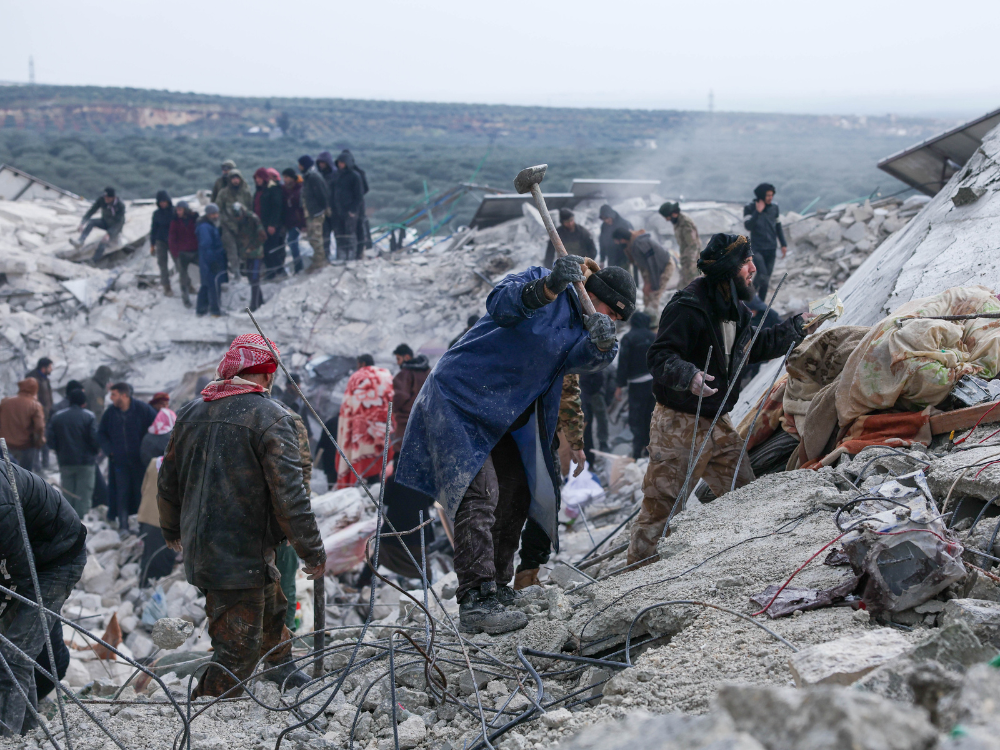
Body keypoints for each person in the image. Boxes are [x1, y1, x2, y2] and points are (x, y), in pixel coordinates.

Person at [396, 255, 632, 634]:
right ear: (596, 294)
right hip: (460, 397)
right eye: (614, 314)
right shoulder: (543, 280)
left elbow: (581, 361)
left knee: (517, 491)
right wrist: (549, 287)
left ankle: (498, 587)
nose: (615, 321)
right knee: (480, 493)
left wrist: (603, 345)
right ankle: (475, 597)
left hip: (507, 414)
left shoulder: (582, 326)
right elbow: (501, 305)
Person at [157, 334, 326, 697]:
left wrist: (172, 528)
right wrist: (312, 551)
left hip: (211, 548)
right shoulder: (271, 417)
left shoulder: (189, 412)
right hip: (236, 553)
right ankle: (205, 710)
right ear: (266, 375)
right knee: (237, 648)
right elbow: (290, 497)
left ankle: (281, 669)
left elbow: (167, 480)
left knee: (273, 605)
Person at [626, 233, 807, 567]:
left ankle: (745, 557)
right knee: (662, 506)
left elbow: (753, 347)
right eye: (745, 263)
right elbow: (660, 355)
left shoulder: (734, 309)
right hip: (678, 423)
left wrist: (796, 328)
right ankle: (637, 573)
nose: (753, 269)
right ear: (727, 270)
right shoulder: (687, 306)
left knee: (743, 490)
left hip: (716, 421)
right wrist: (689, 376)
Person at [0, 460, 87, 737]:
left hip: (56, 560)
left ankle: (8, 738)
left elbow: (22, 572)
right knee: (17, 654)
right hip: (27, 560)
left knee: (14, 655)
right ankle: (28, 731)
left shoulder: (1, 503)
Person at [512, 373, 587, 590]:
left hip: (519, 432)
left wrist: (575, 442)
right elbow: (568, 391)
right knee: (541, 502)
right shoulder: (557, 341)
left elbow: (567, 390)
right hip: (526, 434)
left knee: (539, 503)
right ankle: (517, 575)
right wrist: (575, 442)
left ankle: (522, 575)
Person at [98, 382, 157, 532]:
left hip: (140, 461)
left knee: (141, 493)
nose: (111, 398)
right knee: (121, 494)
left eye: (114, 394)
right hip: (119, 462)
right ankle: (123, 526)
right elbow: (101, 433)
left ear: (124, 395)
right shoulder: (110, 413)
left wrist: (147, 449)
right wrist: (110, 450)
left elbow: (156, 427)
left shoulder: (142, 409)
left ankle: (142, 526)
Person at [336, 355, 394, 487]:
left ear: (362, 363)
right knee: (380, 462)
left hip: (360, 431)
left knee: (357, 460)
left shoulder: (356, 377)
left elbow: (347, 407)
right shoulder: (386, 375)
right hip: (381, 429)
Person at [136, 407, 177, 585]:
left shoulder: (153, 461)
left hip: (147, 517)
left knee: (148, 553)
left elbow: (143, 489)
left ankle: (143, 584)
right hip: (166, 519)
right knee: (163, 555)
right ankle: (155, 586)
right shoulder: (179, 468)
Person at [46, 389, 100, 517]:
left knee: (68, 494)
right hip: (85, 462)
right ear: (84, 403)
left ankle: (68, 521)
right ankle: (82, 524)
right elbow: (94, 439)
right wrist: (94, 452)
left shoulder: (57, 417)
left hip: (65, 461)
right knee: (84, 495)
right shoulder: (89, 416)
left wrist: (59, 451)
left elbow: (50, 441)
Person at [615, 310, 657, 459]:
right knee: (649, 416)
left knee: (636, 418)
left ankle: (637, 450)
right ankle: (648, 448)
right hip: (652, 384)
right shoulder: (653, 337)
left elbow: (623, 363)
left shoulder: (628, 338)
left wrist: (619, 385)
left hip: (636, 385)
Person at [612, 228, 676, 316]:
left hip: (662, 266)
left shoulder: (641, 243)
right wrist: (646, 283)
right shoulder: (630, 245)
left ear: (622, 239)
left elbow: (653, 264)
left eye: (617, 241)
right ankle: (647, 318)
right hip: (650, 269)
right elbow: (640, 265)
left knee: (654, 294)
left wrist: (653, 284)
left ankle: (653, 323)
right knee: (647, 293)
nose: (617, 244)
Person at [743, 183, 787, 298]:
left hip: (771, 248)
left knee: (766, 279)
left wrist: (783, 244)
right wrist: (757, 212)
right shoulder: (749, 208)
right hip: (757, 248)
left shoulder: (774, 207)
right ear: (761, 195)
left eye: (772, 195)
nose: (770, 198)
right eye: (768, 195)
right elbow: (748, 226)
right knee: (762, 274)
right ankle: (748, 298)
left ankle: (760, 307)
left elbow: (778, 227)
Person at [391, 344, 431, 458]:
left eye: (398, 359)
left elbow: (400, 397)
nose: (398, 363)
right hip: (427, 424)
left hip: (406, 425)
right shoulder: (429, 372)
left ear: (406, 357)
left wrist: (393, 409)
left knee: (401, 457)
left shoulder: (404, 374)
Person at [0, 379, 46, 473]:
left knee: (7, 475)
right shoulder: (35, 405)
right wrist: (39, 441)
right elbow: (39, 426)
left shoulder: (5, 402)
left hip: (5, 445)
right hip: (26, 447)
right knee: (25, 477)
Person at [216, 169, 254, 280]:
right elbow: (218, 209)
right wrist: (225, 221)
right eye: (233, 179)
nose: (235, 181)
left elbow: (250, 207)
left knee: (244, 249)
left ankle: (245, 271)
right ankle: (236, 273)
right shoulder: (223, 193)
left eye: (237, 178)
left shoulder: (246, 192)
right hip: (227, 225)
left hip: (243, 226)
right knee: (231, 250)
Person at [231, 202, 267, 311]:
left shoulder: (253, 219)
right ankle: (259, 301)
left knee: (255, 278)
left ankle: (254, 305)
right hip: (246, 254)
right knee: (250, 278)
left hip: (256, 253)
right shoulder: (238, 221)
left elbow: (262, 236)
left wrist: (253, 247)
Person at [298, 155, 330, 273]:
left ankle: (320, 263)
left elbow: (322, 194)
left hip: (316, 213)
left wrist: (321, 209)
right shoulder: (308, 177)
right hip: (311, 213)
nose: (299, 167)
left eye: (300, 165)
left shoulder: (314, 177)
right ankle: (317, 261)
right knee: (312, 238)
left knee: (316, 238)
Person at [74, 187, 126, 261]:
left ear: (113, 198)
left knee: (104, 241)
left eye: (108, 198)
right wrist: (82, 223)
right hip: (105, 222)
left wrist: (109, 234)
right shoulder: (102, 200)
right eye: (105, 197)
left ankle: (94, 261)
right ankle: (80, 241)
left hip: (115, 227)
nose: (106, 200)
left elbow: (119, 222)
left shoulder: (120, 205)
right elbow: (92, 211)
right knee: (92, 222)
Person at [253, 167, 287, 280]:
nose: (257, 180)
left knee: (271, 249)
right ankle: (271, 273)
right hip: (261, 225)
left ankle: (280, 271)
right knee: (264, 250)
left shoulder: (273, 189)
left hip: (271, 225)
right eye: (256, 178)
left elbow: (276, 208)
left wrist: (272, 224)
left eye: (259, 178)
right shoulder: (259, 190)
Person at [658, 202, 701, 287]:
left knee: (689, 285)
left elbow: (692, 245)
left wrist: (691, 264)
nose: (667, 220)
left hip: (691, 260)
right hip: (686, 259)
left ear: (673, 214)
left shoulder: (685, 223)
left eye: (667, 217)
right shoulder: (677, 222)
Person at [195, 204, 227, 317]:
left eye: (217, 213)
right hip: (209, 260)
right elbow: (206, 246)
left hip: (209, 260)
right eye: (213, 214)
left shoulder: (210, 225)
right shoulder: (205, 227)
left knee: (206, 284)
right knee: (213, 285)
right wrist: (212, 261)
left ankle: (201, 309)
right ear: (208, 214)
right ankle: (215, 310)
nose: (216, 216)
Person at [333, 151, 365, 262]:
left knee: (349, 235)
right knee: (339, 235)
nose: (340, 165)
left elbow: (359, 195)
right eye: (339, 163)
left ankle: (351, 257)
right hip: (338, 210)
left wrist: (353, 210)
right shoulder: (337, 175)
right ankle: (341, 256)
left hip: (350, 211)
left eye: (342, 163)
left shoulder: (355, 176)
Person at [168, 200, 200, 308]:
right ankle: (186, 299)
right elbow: (172, 238)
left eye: (180, 210)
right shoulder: (175, 221)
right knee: (183, 277)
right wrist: (176, 253)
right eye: (177, 210)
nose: (178, 212)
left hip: (195, 251)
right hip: (182, 253)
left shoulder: (194, 219)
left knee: (203, 272)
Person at [25, 358, 53, 470]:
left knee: (45, 440)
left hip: (45, 415)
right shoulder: (32, 379)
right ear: (44, 367)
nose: (51, 369)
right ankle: (36, 467)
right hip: (35, 416)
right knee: (36, 441)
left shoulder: (45, 379)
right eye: (50, 367)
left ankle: (45, 465)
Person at [341, 149, 372, 250]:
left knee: (359, 227)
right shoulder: (341, 174)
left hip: (358, 204)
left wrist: (356, 196)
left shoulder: (358, 173)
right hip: (346, 205)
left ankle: (360, 250)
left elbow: (365, 189)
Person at [579, 369, 610, 463]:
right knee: (586, 424)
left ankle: (602, 443)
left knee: (601, 419)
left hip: (594, 392)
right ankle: (588, 455)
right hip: (583, 392)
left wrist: (595, 389)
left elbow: (599, 374)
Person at [150, 190, 174, 296]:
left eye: (164, 201)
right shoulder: (157, 214)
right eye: (161, 202)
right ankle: (166, 287)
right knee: (162, 264)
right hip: (160, 241)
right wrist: (152, 244)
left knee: (179, 263)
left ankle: (187, 284)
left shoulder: (174, 212)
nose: (163, 203)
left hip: (173, 240)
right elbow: (153, 229)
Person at [281, 168, 306, 273]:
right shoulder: (286, 189)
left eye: (286, 177)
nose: (285, 179)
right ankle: (297, 265)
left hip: (297, 221)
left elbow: (302, 208)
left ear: (292, 178)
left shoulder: (299, 189)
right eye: (284, 177)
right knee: (291, 242)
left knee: (291, 241)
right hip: (288, 221)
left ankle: (298, 265)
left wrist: (303, 223)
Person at [316, 152, 338, 262]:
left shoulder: (336, 175)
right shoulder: (319, 176)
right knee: (325, 235)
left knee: (339, 234)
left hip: (335, 209)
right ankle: (326, 257)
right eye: (320, 163)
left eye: (323, 163)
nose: (321, 165)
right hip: (323, 210)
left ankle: (341, 256)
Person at [598, 204, 633, 270]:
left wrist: (631, 257)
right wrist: (602, 259)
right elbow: (602, 242)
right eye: (603, 219)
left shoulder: (624, 224)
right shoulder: (604, 226)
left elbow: (631, 242)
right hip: (611, 259)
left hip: (624, 258)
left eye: (607, 218)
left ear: (611, 215)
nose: (606, 221)